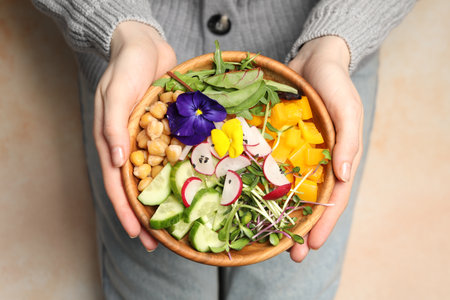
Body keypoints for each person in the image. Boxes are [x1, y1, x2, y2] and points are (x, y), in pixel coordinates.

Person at [33, 1, 415, 299]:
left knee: (289, 291)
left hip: (324, 62)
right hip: (129, 57)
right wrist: (119, 25)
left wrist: (341, 34)